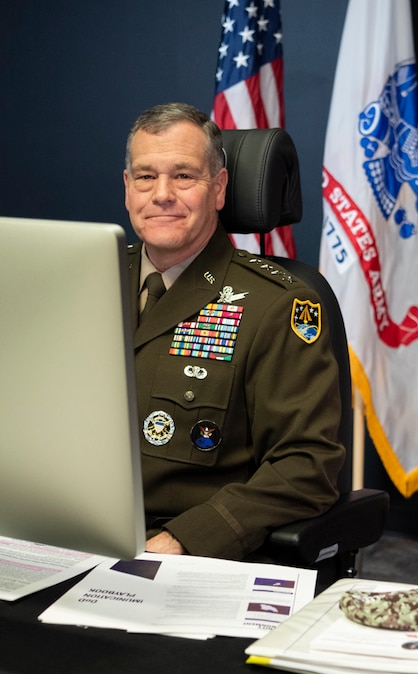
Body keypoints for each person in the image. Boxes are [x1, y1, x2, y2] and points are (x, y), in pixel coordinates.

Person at [123, 102, 344, 560]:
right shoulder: (85, 280)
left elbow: (306, 466)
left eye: (183, 176)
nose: (161, 193)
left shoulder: (276, 303)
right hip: (65, 536)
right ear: (128, 187)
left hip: (184, 550)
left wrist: (187, 538)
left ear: (219, 188)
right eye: (146, 176)